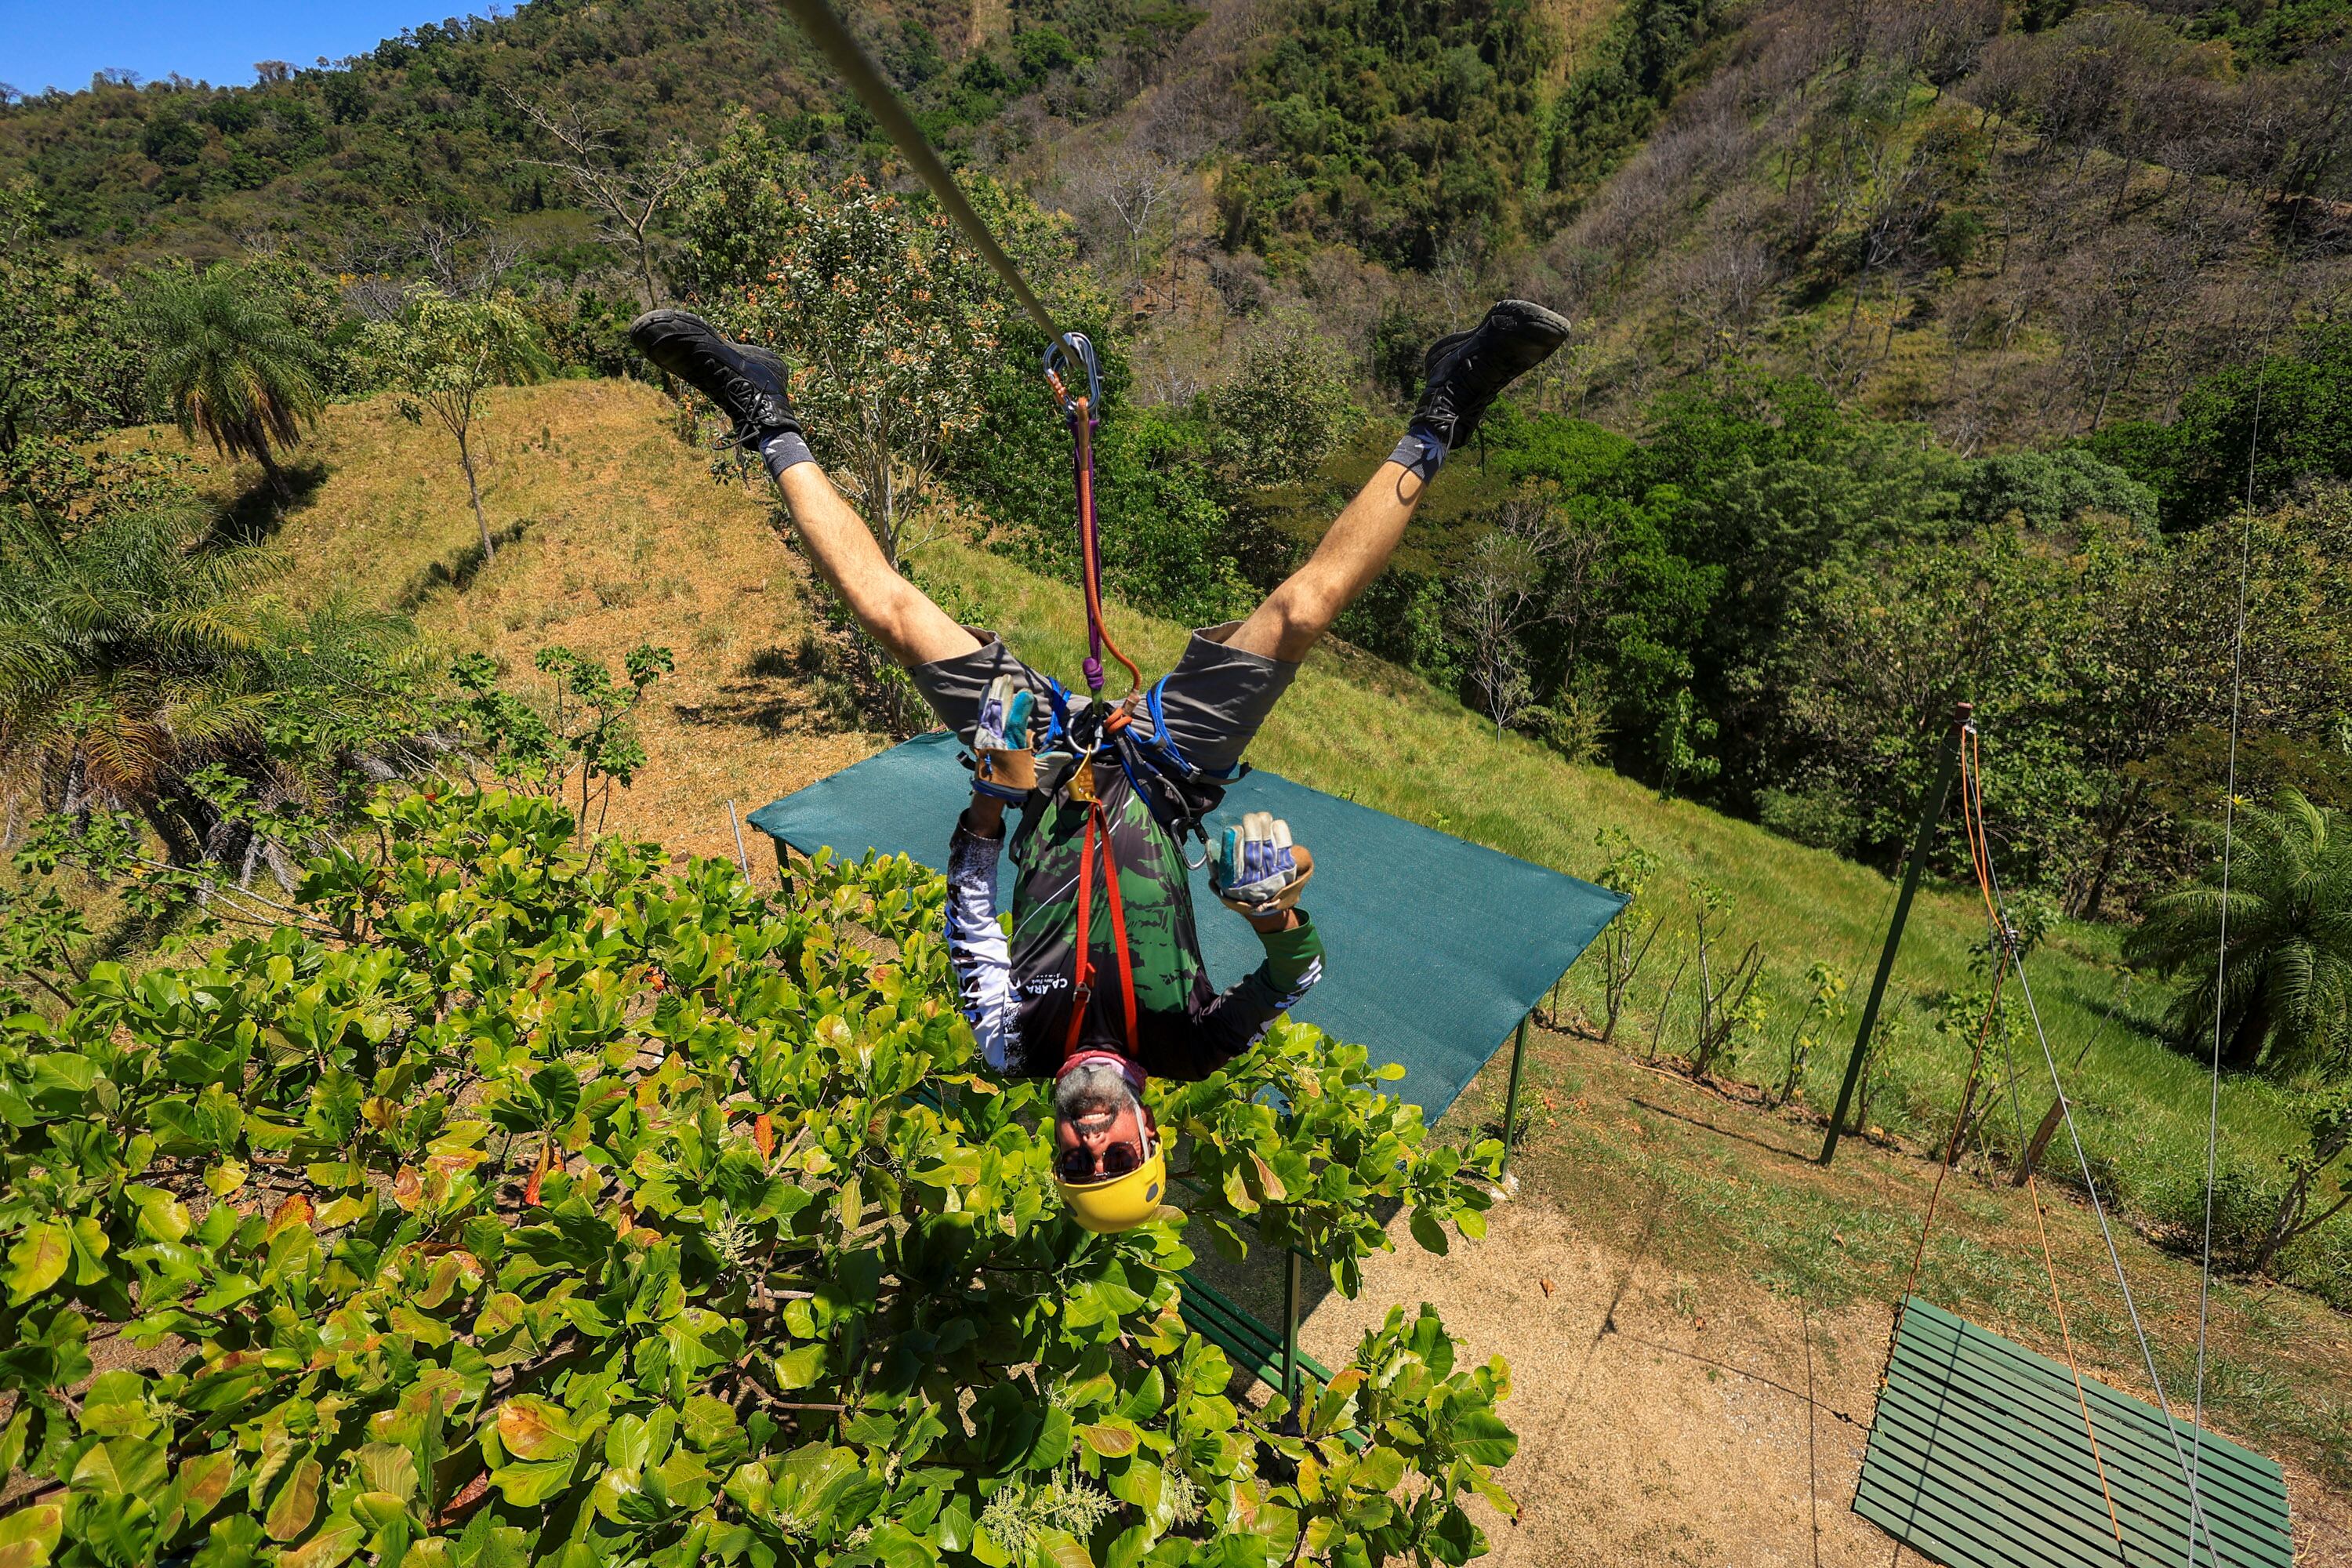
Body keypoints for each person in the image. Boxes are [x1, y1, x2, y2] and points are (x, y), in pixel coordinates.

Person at [630, 299, 1570, 1231]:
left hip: (1041, 767)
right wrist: (1274, 911)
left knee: (891, 615)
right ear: (1150, 1130)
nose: (1091, 1142)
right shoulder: (1193, 1045)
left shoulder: (1009, 1042)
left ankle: (763, 410)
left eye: (1077, 1163)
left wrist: (993, 802)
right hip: (1164, 775)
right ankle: (1447, 406)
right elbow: (1299, 973)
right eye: (1118, 1156)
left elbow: (967, 901)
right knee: (1300, 613)